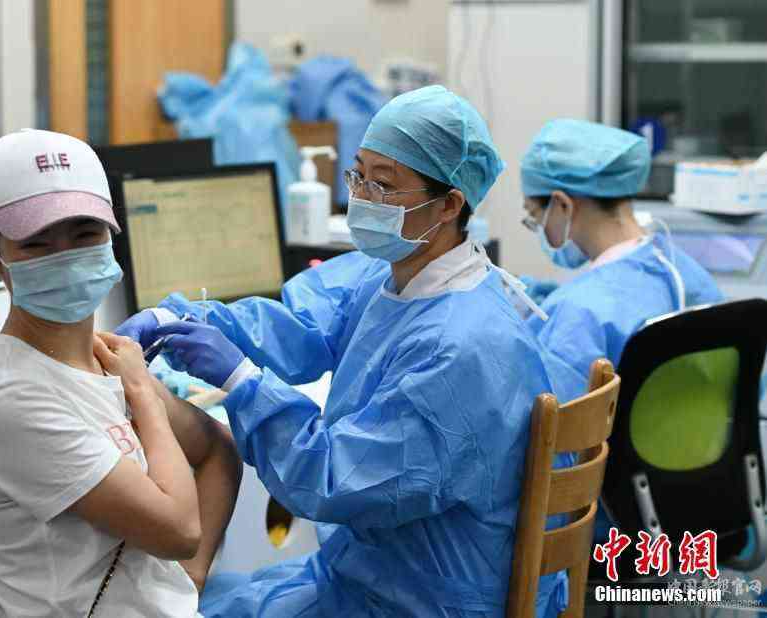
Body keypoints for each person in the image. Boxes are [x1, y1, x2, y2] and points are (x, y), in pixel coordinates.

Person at [117, 86, 567, 617]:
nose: (363, 198)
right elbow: (300, 325)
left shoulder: (460, 348)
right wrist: (179, 320)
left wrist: (242, 383)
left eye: (384, 185)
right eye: (358, 176)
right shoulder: (395, 275)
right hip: (373, 570)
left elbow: (329, 479)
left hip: (422, 600)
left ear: (449, 204)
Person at [0, 129, 242, 617]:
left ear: (111, 232)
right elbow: (178, 531)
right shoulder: (13, 398)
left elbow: (219, 450)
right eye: (36, 243)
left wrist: (188, 585)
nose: (65, 257)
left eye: (85, 235)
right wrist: (144, 397)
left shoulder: (106, 362)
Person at [519, 119, 724, 405]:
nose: (538, 228)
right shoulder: (684, 272)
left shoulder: (578, 313)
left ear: (563, 205)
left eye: (535, 216)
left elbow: (544, 425)